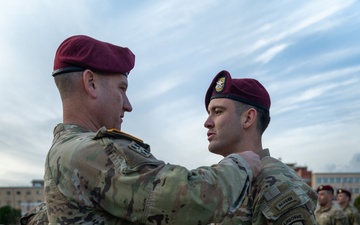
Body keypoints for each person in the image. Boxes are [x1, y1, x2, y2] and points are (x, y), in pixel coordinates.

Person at [20, 35, 261, 225]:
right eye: (121, 88)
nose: (128, 104)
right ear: (91, 83)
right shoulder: (90, 152)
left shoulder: (63, 150)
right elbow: (190, 199)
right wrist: (241, 164)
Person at [204, 70, 318, 224]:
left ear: (248, 118)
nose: (207, 123)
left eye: (218, 112)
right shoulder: (227, 178)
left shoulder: (279, 185)